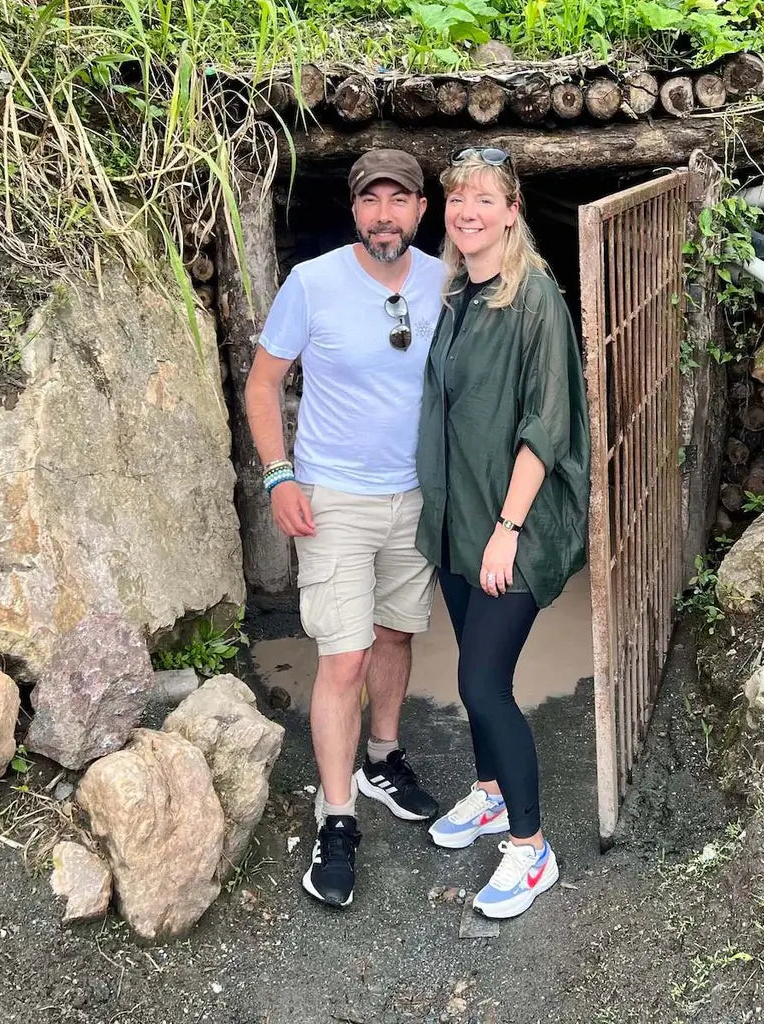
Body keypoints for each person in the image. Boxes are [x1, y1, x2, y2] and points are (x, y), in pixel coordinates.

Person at [244, 149, 448, 909]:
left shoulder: (444, 280)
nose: (385, 215)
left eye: (400, 200)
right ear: (355, 210)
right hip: (333, 499)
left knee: (397, 635)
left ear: (422, 211)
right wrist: (278, 473)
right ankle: (337, 816)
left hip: (416, 496)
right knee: (343, 658)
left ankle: (383, 758)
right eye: (372, 201)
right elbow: (264, 384)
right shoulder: (313, 283)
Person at [415, 147, 590, 919]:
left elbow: (545, 423)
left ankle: (531, 847)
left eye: (485, 199)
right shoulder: (458, 291)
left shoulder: (534, 298)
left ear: (512, 210)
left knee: (481, 683)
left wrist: (508, 528)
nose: (469, 212)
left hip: (510, 526)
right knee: (478, 673)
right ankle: (488, 794)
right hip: (460, 520)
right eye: (457, 199)